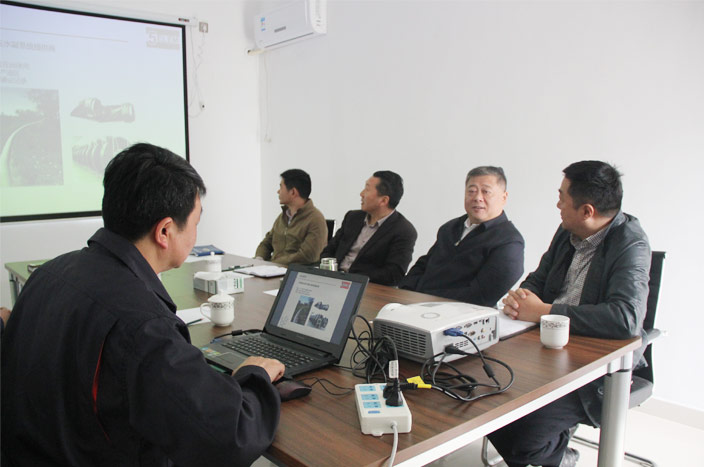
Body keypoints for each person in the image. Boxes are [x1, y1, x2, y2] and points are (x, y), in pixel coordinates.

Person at [1, 143, 285, 466]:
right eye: (196, 222)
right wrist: (254, 376)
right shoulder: (143, 326)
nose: (196, 232)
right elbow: (229, 437)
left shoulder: (48, 273)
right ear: (165, 231)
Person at [488, 161, 651, 467]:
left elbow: (626, 319)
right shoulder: (568, 231)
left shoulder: (631, 243)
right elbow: (539, 278)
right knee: (486, 394)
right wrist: (522, 298)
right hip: (545, 349)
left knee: (523, 437)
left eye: (562, 197)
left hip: (593, 366)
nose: (558, 205)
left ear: (587, 211)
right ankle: (553, 446)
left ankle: (561, 456)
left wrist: (545, 312)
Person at [399, 166, 524, 307]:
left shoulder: (510, 241)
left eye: (486, 192)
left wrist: (427, 298)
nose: (477, 198)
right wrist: (406, 290)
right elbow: (424, 265)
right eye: (471, 191)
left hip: (458, 315)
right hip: (415, 305)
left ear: (504, 197)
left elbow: (481, 296)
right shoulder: (450, 228)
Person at [320, 171, 417, 286]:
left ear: (383, 200)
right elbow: (329, 250)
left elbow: (393, 274)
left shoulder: (403, 231)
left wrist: (352, 278)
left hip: (365, 286)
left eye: (367, 189)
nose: (361, 194)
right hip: (332, 281)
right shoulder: (353, 217)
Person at [255, 168, 327, 265]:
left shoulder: (316, 219)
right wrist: (259, 259)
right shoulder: (283, 216)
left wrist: (274, 263)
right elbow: (266, 243)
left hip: (291, 271)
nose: (278, 191)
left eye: (281, 187)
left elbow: (307, 256)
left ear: (293, 192)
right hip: (273, 268)